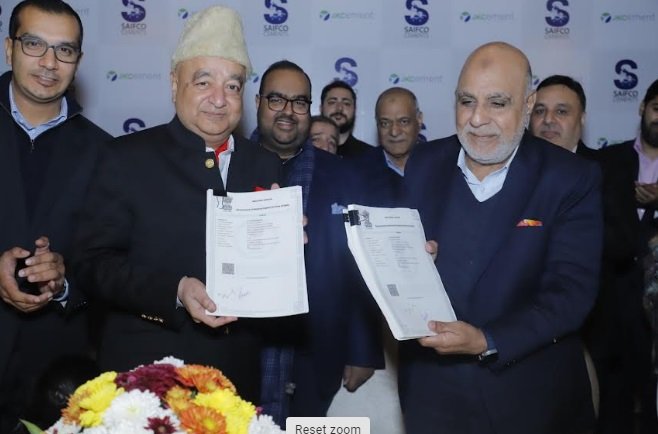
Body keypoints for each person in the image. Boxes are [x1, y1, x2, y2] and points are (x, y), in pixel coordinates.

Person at [72, 6, 280, 404]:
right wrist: (175, 290)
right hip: (146, 383)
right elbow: (92, 264)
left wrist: (286, 246)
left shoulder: (264, 164)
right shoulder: (126, 158)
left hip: (234, 383)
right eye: (203, 82)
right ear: (174, 84)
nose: (218, 99)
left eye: (232, 86)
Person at [399, 41, 602, 434]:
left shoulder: (570, 177)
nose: (477, 119)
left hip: (531, 401)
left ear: (528, 105)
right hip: (432, 397)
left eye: (497, 103)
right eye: (466, 101)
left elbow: (571, 294)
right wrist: (409, 261)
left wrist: (486, 340)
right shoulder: (424, 162)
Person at [0, 1, 112, 431]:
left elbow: (112, 262)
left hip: (55, 379)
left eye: (64, 50)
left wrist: (65, 282)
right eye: (34, 44)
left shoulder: (106, 153)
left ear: (78, 61)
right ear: (9, 47)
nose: (49, 62)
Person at [254, 60, 383, 424]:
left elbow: (362, 265)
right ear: (258, 102)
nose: (287, 111)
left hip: (318, 343)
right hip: (240, 344)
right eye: (276, 99)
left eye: (299, 102)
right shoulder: (227, 166)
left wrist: (363, 349)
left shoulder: (345, 175)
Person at [595, 78, 658, 434]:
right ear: (642, 108)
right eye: (657, 109)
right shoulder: (609, 160)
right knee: (611, 406)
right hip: (612, 305)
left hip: (656, 313)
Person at [530, 74, 597, 157]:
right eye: (540, 111)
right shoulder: (517, 162)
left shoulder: (599, 164)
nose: (548, 120)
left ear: (582, 118)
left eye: (561, 112)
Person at [319, 80, 371, 158]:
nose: (339, 108)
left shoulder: (369, 156)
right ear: (321, 108)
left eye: (346, 103)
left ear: (354, 110)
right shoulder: (304, 151)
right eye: (332, 102)